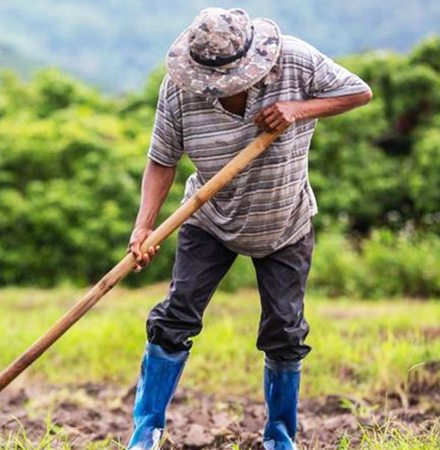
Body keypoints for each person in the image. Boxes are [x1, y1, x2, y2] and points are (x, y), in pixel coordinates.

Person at [126, 7, 372, 450]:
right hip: (209, 218)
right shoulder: (179, 91)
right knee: (174, 319)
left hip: (285, 220)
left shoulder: (295, 61)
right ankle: (146, 432)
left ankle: (280, 438)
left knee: (284, 330)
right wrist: (143, 229)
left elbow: (359, 92)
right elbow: (162, 160)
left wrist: (299, 109)